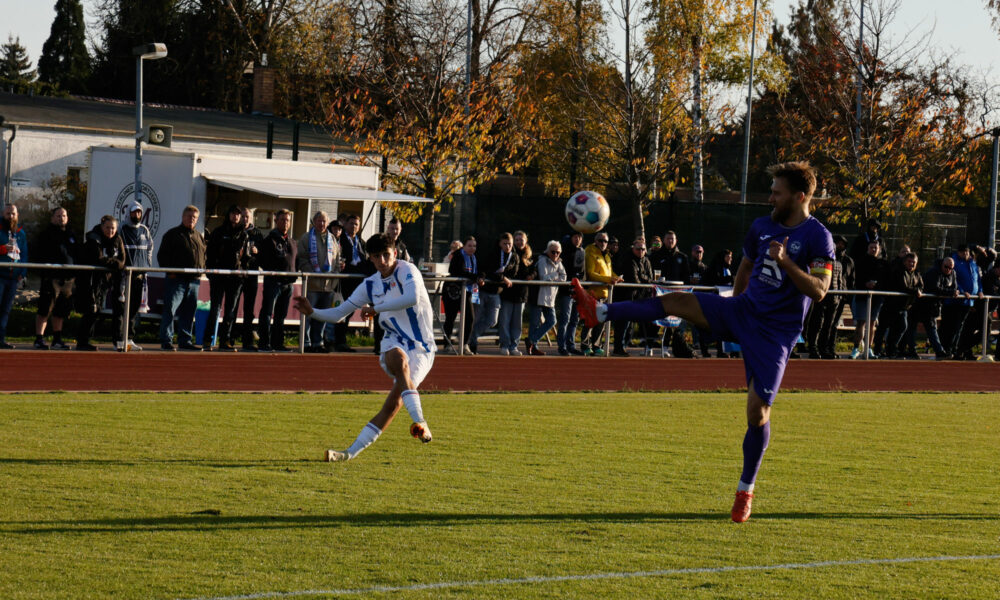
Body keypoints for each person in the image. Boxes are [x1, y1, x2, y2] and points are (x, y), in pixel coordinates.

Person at [571, 161, 834, 523]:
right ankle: (600, 312)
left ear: (800, 197)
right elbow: (745, 267)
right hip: (744, 312)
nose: (770, 197)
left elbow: (820, 291)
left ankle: (745, 491)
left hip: (775, 335)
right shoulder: (761, 227)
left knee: (757, 413)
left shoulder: (819, 237)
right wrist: (735, 312)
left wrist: (787, 263)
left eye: (777, 191)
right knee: (678, 299)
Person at [292, 233, 435, 462]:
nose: (382, 261)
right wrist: (313, 313)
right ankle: (420, 419)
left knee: (394, 403)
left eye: (386, 255)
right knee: (398, 360)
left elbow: (412, 298)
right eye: (377, 257)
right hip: (393, 340)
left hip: (421, 346)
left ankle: (349, 453)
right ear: (370, 258)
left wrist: (377, 308)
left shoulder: (408, 270)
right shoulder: (370, 284)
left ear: (395, 253)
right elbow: (341, 313)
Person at [157, 205, 207, 351]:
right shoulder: (172, 234)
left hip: (194, 281)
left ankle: (185, 340)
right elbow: (162, 256)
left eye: (194, 217)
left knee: (189, 312)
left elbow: (204, 255)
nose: (192, 219)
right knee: (170, 310)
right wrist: (170, 272)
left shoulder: (199, 236)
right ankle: (166, 340)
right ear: (183, 216)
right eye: (189, 216)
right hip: (176, 280)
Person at [75, 215, 126, 351]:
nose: (110, 231)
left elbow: (122, 260)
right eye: (107, 228)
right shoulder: (94, 239)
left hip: (106, 281)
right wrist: (113, 263)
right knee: (91, 310)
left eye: (113, 228)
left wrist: (112, 263)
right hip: (91, 280)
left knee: (98, 310)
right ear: (102, 227)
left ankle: (89, 340)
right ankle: (82, 341)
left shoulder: (118, 239)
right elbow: (98, 259)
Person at [204, 205, 247, 351]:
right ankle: (208, 340)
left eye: (238, 214)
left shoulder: (244, 234)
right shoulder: (219, 232)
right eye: (233, 213)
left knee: (231, 311)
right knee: (215, 309)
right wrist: (210, 273)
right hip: (219, 276)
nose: (235, 216)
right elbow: (210, 254)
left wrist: (243, 272)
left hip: (235, 278)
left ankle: (226, 341)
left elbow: (247, 258)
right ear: (228, 215)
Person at [297, 210, 341, 353]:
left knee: (322, 316)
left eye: (324, 221)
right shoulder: (306, 238)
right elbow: (302, 259)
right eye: (319, 220)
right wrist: (313, 273)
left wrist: (334, 276)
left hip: (328, 286)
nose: (321, 223)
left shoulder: (332, 239)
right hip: (311, 285)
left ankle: (318, 342)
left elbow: (337, 261)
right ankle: (306, 342)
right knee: (308, 316)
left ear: (328, 223)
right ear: (314, 222)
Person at [33, 207, 77, 350]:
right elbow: (38, 254)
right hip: (51, 278)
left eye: (63, 215)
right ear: (52, 218)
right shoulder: (46, 234)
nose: (61, 218)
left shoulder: (71, 234)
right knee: (45, 309)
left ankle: (57, 339)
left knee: (61, 311)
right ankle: (39, 338)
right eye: (58, 216)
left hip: (67, 279)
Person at [805, 235, 853, 359]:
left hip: (835, 299)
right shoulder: (819, 261)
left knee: (829, 325)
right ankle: (813, 348)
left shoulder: (838, 263)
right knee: (817, 323)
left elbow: (840, 281)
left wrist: (842, 296)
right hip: (821, 298)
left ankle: (823, 348)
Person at [468, 233, 516, 354]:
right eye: (505, 243)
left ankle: (471, 337)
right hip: (481, 291)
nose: (507, 246)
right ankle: (471, 343)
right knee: (476, 318)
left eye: (509, 243)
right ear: (500, 243)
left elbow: (513, 273)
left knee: (492, 320)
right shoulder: (493, 254)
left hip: (496, 292)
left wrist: (502, 277)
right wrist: (502, 278)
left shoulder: (514, 257)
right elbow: (488, 271)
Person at [257, 208, 297, 352]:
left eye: (287, 220)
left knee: (281, 316)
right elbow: (262, 260)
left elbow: (295, 261)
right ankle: (264, 343)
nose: (285, 223)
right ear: (276, 221)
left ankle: (277, 343)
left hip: (288, 284)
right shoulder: (269, 240)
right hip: (273, 283)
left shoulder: (292, 242)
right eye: (282, 220)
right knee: (267, 313)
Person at [650, 230, 694, 357]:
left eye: (672, 239)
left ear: (676, 241)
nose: (670, 241)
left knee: (671, 322)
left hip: (676, 295)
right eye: (668, 238)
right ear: (664, 240)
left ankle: (665, 348)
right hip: (659, 293)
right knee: (656, 320)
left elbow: (686, 277)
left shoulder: (682, 257)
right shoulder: (656, 256)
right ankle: (650, 346)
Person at [871, 252, 923, 358]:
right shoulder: (899, 271)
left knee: (901, 327)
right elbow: (902, 287)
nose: (912, 264)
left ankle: (891, 349)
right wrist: (915, 291)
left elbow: (921, 285)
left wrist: (918, 290)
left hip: (904, 307)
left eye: (914, 262)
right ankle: (877, 350)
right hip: (891, 305)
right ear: (904, 262)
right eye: (909, 261)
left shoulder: (917, 273)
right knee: (883, 328)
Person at [117, 201, 154, 351]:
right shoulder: (122, 229)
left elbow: (150, 248)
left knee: (134, 308)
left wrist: (147, 265)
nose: (137, 215)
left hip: (140, 277)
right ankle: (120, 338)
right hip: (125, 277)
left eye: (139, 212)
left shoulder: (145, 230)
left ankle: (129, 338)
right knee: (122, 308)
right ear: (128, 213)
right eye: (134, 212)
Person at [611, 238, 655, 356]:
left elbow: (651, 278)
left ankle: (624, 346)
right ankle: (618, 348)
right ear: (633, 248)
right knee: (623, 324)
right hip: (625, 297)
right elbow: (634, 279)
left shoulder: (647, 260)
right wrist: (644, 278)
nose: (641, 251)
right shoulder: (628, 259)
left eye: (643, 249)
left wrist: (643, 278)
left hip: (640, 297)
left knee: (632, 325)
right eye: (638, 249)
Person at [580, 231, 621, 356]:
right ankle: (585, 345)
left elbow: (609, 273)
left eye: (606, 241)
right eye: (600, 240)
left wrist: (617, 278)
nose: (603, 243)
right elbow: (591, 273)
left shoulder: (607, 256)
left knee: (601, 321)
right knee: (590, 321)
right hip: (593, 293)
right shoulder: (590, 252)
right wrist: (609, 280)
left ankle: (596, 345)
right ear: (595, 241)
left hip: (605, 294)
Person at [332, 214, 368, 352]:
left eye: (356, 224)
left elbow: (364, 260)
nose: (353, 227)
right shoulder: (340, 241)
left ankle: (342, 340)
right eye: (351, 223)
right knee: (342, 311)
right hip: (344, 282)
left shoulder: (362, 243)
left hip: (358, 282)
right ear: (345, 225)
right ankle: (338, 341)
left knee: (350, 312)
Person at [909, 256, 957, 360]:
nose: (948, 270)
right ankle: (911, 350)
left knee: (931, 328)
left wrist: (951, 292)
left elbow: (954, 287)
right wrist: (950, 292)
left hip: (934, 305)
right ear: (942, 264)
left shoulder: (952, 273)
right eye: (946, 267)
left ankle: (939, 351)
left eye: (951, 268)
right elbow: (935, 288)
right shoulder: (934, 272)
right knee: (912, 327)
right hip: (921, 304)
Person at [526, 240, 566, 356]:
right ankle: (533, 348)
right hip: (538, 295)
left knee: (552, 321)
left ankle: (532, 341)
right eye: (553, 252)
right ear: (548, 251)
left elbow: (564, 276)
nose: (555, 255)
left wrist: (554, 277)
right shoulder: (542, 260)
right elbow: (544, 278)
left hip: (550, 297)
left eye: (558, 252)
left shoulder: (559, 262)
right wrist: (556, 276)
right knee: (534, 323)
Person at [498, 230, 534, 356]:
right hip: (507, 292)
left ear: (526, 241)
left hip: (521, 293)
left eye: (521, 240)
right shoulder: (509, 254)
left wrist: (531, 275)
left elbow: (534, 270)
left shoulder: (529, 256)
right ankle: (505, 344)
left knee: (517, 323)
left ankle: (514, 346)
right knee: (505, 320)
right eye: (517, 240)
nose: (519, 242)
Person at [850, 240, 886, 359]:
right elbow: (856, 279)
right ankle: (856, 348)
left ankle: (868, 348)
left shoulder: (882, 263)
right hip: (862, 296)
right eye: (871, 247)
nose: (874, 250)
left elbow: (884, 280)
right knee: (861, 322)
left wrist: (876, 284)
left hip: (876, 298)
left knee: (872, 323)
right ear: (868, 248)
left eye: (876, 248)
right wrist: (866, 284)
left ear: (879, 249)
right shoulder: (860, 262)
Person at [949, 244, 985, 360]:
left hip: (970, 302)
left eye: (967, 252)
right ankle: (952, 350)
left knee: (963, 328)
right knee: (955, 327)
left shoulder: (973, 263)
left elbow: (978, 280)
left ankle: (959, 350)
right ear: (958, 252)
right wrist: (963, 291)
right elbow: (954, 279)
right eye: (962, 252)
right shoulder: (954, 262)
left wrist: (979, 291)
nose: (965, 254)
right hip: (958, 301)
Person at [443, 236, 479, 353]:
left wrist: (481, 276)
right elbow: (457, 271)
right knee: (451, 317)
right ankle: (447, 344)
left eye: (474, 246)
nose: (472, 248)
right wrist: (475, 277)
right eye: (469, 245)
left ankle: (464, 344)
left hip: (467, 291)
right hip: (453, 291)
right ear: (464, 246)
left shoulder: (474, 258)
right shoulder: (458, 256)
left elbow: (480, 271)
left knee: (470, 318)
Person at [0, 204, 27, 349]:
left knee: (5, 309)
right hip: (0, 275)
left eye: (13, 214)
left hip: (13, 277)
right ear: (3, 214)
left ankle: (1, 339)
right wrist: (3, 249)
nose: (10, 216)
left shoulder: (21, 233)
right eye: (8, 213)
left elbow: (24, 254)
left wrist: (22, 273)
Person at [236, 207, 263, 351]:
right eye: (243, 216)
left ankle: (248, 341)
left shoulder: (258, 234)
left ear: (252, 218)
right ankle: (228, 340)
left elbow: (264, 255)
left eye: (248, 217)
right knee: (232, 309)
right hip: (237, 275)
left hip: (252, 275)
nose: (245, 219)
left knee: (249, 310)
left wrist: (258, 252)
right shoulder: (235, 231)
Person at [555, 231, 585, 355]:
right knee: (565, 319)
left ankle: (571, 345)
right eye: (575, 237)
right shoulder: (565, 250)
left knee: (574, 320)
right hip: (566, 291)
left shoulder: (582, 252)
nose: (577, 239)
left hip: (578, 291)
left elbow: (582, 272)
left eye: (579, 237)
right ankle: (562, 346)